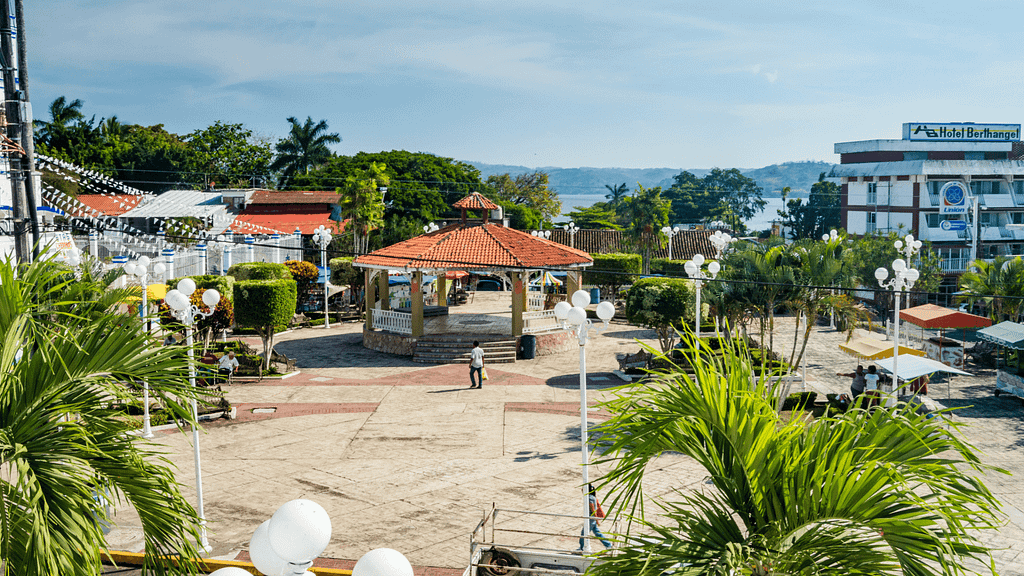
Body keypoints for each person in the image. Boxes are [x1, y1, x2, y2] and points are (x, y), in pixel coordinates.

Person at [579, 484, 612, 550]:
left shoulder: (589, 498)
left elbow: (593, 510)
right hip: (592, 519)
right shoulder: (592, 497)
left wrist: (596, 520)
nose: (581, 490)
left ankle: (582, 547)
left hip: (591, 519)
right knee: (597, 533)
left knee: (584, 533)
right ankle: (608, 545)